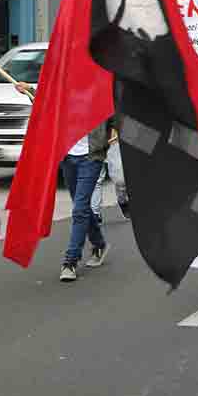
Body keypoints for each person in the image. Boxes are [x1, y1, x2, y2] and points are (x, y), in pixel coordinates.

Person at [60, 119, 113, 281]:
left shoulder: (100, 94)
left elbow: (119, 114)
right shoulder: (63, 93)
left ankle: (70, 261)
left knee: (79, 209)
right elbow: (46, 104)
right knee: (81, 206)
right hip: (67, 156)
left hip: (91, 157)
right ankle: (99, 244)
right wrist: (27, 91)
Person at [91, 126, 129, 224]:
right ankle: (95, 213)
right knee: (96, 180)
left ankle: (122, 200)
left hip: (112, 140)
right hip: (91, 144)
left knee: (121, 180)